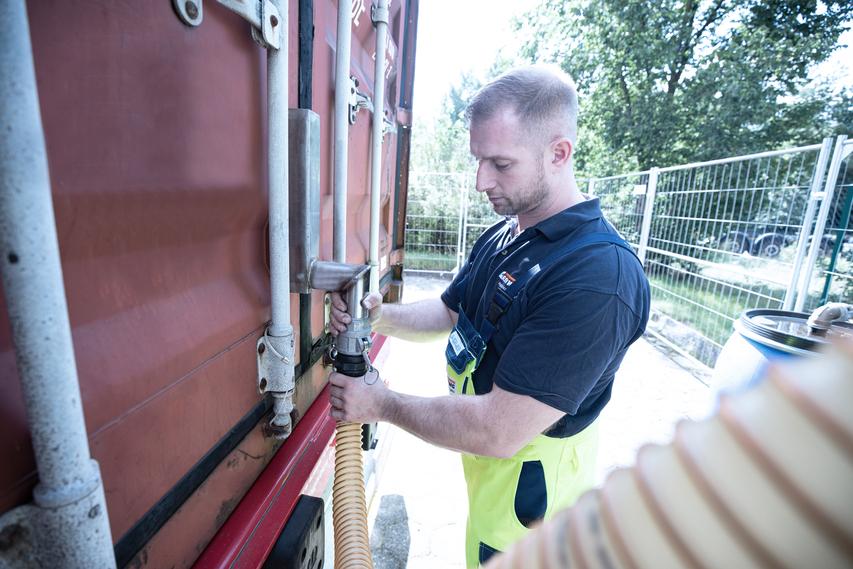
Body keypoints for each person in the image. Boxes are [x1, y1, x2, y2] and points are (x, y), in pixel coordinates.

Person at [328, 65, 650, 567]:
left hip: (535, 517)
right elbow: (449, 312)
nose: (482, 181)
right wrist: (377, 318)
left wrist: (382, 405)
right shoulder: (508, 234)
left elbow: (499, 431)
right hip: (496, 490)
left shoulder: (597, 277)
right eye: (479, 160)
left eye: (500, 163)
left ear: (559, 153)